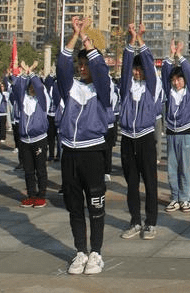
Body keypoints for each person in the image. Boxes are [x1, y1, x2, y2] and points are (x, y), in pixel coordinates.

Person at [55, 16, 112, 275]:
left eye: (86, 63)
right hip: (70, 153)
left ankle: (96, 253)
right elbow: (61, 67)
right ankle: (80, 251)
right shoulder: (70, 88)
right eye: (80, 64)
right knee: (74, 207)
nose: (82, 67)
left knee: (96, 206)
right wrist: (75, 35)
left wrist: (88, 41)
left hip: (93, 152)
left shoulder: (102, 90)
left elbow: (101, 70)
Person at [119, 23, 162, 239]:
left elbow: (150, 67)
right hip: (128, 139)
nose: (137, 72)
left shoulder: (152, 87)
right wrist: (131, 40)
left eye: (140, 69)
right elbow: (125, 68)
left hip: (146, 138)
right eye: (135, 70)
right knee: (132, 184)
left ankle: (151, 223)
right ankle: (135, 221)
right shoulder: (126, 89)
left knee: (150, 183)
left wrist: (141, 39)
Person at [161, 39, 190, 213]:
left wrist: (180, 55)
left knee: (185, 167)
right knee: (172, 168)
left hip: (186, 132)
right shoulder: (169, 92)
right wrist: (171, 54)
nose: (176, 83)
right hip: (171, 133)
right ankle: (174, 198)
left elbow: (189, 71)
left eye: (179, 79)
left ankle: (185, 199)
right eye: (173, 80)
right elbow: (164, 73)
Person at [10, 61, 49, 208]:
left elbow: (39, 86)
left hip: (39, 139)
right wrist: (24, 74)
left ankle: (41, 195)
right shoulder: (23, 100)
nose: (32, 88)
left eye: (34, 86)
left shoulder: (43, 100)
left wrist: (31, 72)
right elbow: (17, 87)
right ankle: (31, 195)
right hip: (25, 140)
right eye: (30, 86)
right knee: (28, 170)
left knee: (40, 169)